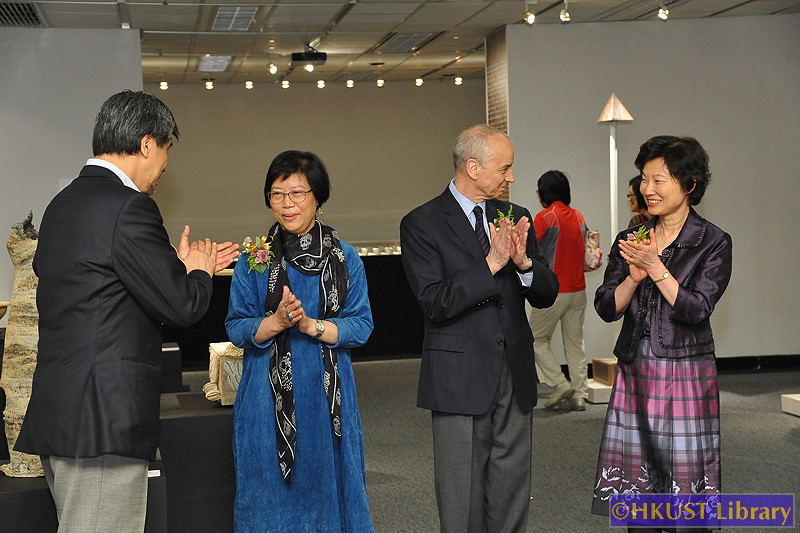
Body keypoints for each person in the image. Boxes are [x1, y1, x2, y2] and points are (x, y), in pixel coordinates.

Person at [14, 90, 239, 532]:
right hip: (102, 420)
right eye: (166, 152)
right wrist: (198, 269)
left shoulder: (62, 205)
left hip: (62, 412)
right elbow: (182, 305)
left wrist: (170, 269)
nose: (165, 168)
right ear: (148, 144)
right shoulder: (129, 206)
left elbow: (106, 290)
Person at [400, 124, 559, 533]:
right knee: (461, 494)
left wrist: (524, 264)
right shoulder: (421, 223)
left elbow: (547, 293)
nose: (512, 177)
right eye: (504, 168)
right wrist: (491, 263)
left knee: (512, 485)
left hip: (515, 371)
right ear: (473, 167)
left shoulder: (516, 216)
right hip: (459, 374)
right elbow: (435, 301)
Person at [225, 151, 374, 532]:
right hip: (266, 399)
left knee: (326, 488)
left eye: (297, 193)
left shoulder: (345, 258)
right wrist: (275, 322)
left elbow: (361, 326)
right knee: (269, 494)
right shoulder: (254, 259)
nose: (286, 204)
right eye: (277, 194)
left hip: (326, 399)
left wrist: (311, 326)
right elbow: (236, 327)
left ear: (318, 198)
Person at [591, 136, 732, 531]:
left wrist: (656, 268)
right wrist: (634, 278)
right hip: (636, 365)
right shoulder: (632, 238)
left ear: (689, 184)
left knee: (684, 469)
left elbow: (696, 309)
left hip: (685, 368)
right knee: (637, 473)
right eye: (644, 179)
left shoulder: (712, 242)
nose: (647, 189)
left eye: (659, 180)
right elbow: (606, 307)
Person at [529, 170, 592, 411]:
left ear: (543, 193)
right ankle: (580, 395)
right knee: (575, 343)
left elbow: (528, 250)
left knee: (534, 339)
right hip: (578, 290)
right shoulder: (578, 216)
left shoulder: (545, 217)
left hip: (554, 291)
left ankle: (559, 383)